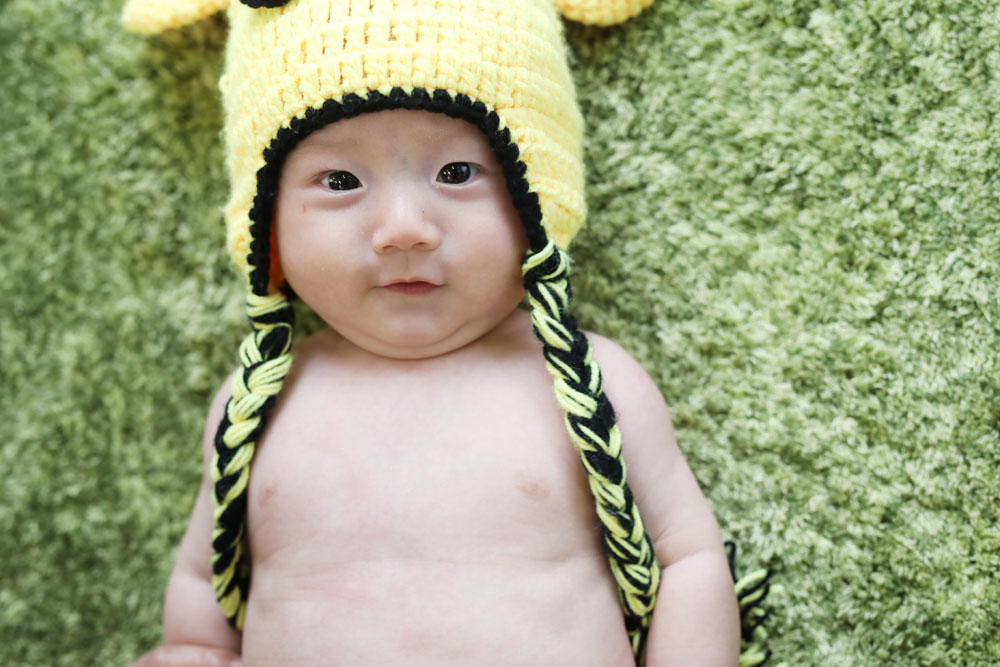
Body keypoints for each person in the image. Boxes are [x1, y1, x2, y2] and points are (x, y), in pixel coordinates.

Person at [124, 1, 767, 665]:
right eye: (340, 181)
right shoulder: (257, 404)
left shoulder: (586, 383)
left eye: (456, 173)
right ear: (268, 227)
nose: (405, 227)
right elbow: (204, 575)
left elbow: (689, 559)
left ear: (537, 199)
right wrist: (191, 648)